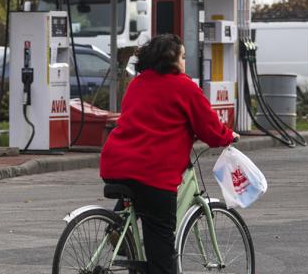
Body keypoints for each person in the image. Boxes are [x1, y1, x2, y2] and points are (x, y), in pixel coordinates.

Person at [99, 33, 238, 274]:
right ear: (170, 59)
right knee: (161, 244)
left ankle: (119, 229)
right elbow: (210, 130)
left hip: (115, 165)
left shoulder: (137, 84)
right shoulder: (184, 86)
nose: (185, 62)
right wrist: (229, 136)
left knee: (137, 190)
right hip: (154, 174)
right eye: (182, 57)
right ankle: (129, 239)